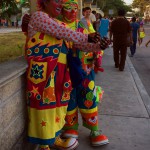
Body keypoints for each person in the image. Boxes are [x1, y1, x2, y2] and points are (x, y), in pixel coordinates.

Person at [24, 0, 102, 150]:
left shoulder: (62, 25)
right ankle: (43, 145)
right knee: (43, 108)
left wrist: (98, 45)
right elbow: (63, 33)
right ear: (45, 2)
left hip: (59, 73)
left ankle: (54, 138)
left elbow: (77, 44)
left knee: (58, 107)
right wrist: (87, 37)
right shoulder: (39, 17)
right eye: (57, 0)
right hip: (44, 74)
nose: (60, 4)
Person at [60, 3, 109, 146]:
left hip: (85, 69)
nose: (73, 12)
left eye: (75, 8)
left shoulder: (84, 24)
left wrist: (99, 46)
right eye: (69, 8)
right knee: (69, 98)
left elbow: (93, 41)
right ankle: (70, 127)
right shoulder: (57, 26)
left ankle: (94, 129)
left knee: (89, 97)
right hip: (66, 72)